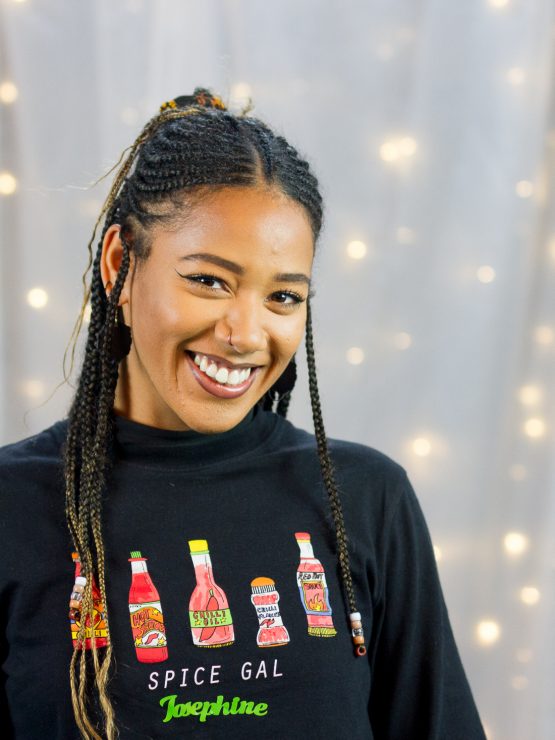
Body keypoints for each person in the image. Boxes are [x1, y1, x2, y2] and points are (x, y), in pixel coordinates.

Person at [0, 87, 487, 740]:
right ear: (121, 266)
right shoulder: (13, 504)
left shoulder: (364, 498)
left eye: (282, 296)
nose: (245, 332)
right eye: (208, 280)